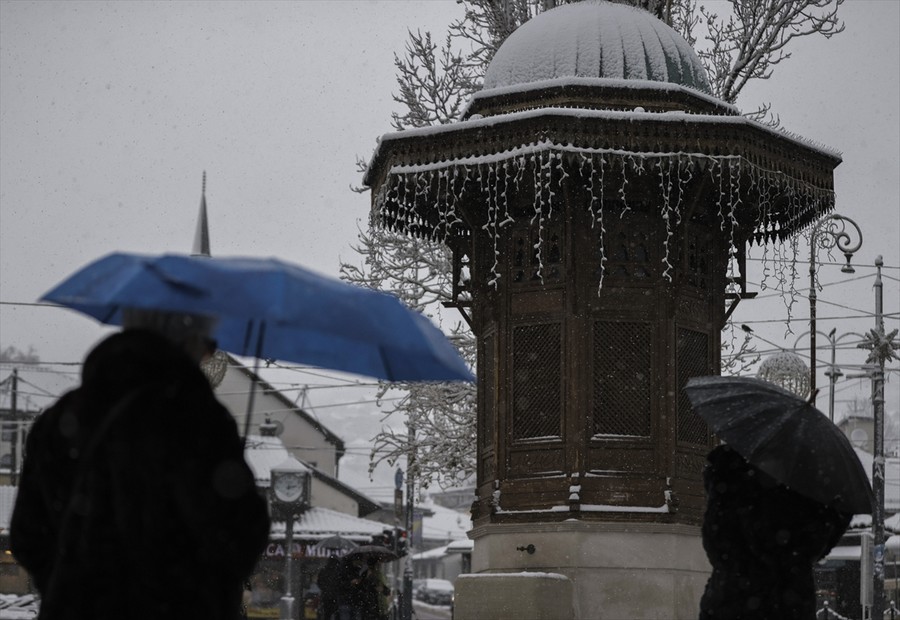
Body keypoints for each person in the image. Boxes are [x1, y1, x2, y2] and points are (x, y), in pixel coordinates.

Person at [10, 309, 271, 620]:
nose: (209, 353)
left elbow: (27, 536)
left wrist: (73, 585)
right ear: (187, 339)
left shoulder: (61, 418)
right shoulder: (196, 418)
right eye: (208, 342)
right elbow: (236, 537)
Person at [698, 444, 852, 620]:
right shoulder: (791, 501)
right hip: (782, 603)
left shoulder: (728, 487)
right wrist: (833, 516)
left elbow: (717, 545)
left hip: (729, 599)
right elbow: (805, 548)